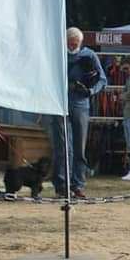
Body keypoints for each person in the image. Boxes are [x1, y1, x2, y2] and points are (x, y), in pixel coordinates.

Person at [47, 27, 107, 198]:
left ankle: (77, 184)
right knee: (62, 146)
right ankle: (61, 186)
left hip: (81, 103)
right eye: (70, 43)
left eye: (76, 44)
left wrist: (91, 90)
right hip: (60, 103)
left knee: (79, 146)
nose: (73, 46)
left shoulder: (89, 55)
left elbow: (103, 79)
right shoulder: (57, 54)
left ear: (81, 42)